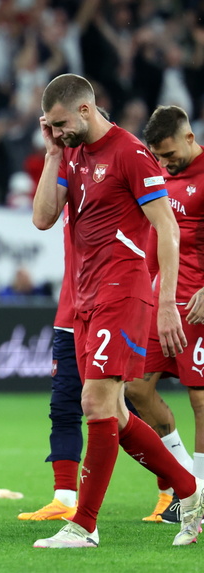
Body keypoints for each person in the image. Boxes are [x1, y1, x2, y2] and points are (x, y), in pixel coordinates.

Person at [31, 73, 204, 548]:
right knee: (117, 414)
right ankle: (190, 490)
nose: (58, 131)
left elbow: (166, 227)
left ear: (86, 110)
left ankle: (83, 525)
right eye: (51, 125)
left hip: (122, 292)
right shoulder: (70, 154)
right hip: (83, 298)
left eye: (62, 124)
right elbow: (43, 217)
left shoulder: (129, 152)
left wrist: (166, 301)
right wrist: (51, 152)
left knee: (95, 404)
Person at [125, 105, 204, 521]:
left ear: (190, 138)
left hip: (198, 305)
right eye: (157, 155)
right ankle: (187, 478)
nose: (164, 162)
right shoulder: (160, 178)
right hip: (162, 302)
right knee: (136, 387)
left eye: (169, 153)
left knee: (200, 398)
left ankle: (202, 493)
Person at [17, 210, 82, 522]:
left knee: (127, 408)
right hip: (70, 314)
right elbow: (41, 218)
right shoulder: (71, 179)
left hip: (112, 311)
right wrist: (54, 157)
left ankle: (179, 487)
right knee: (64, 407)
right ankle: (65, 497)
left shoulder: (122, 174)